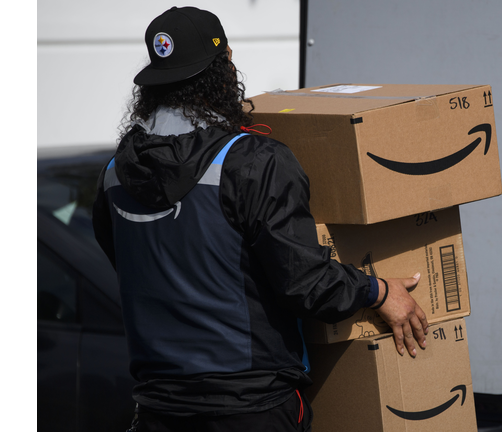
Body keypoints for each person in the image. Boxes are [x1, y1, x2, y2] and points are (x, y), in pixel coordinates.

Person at [91, 6, 429, 432]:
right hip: (250, 407)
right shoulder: (252, 161)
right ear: (225, 66)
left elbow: (137, 270)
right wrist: (377, 290)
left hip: (159, 409)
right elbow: (304, 283)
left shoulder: (113, 175)